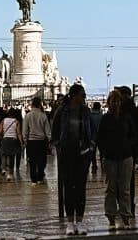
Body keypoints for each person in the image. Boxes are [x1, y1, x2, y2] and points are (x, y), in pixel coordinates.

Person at [53, 83, 95, 236]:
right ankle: (70, 222)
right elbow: (55, 131)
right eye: (82, 95)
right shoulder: (62, 111)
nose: (84, 98)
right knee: (68, 188)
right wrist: (59, 147)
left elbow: (92, 130)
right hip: (67, 154)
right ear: (74, 95)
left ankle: (80, 221)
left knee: (80, 189)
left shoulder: (85, 111)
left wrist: (90, 146)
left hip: (83, 154)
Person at [97, 89, 137, 230]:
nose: (115, 103)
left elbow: (133, 135)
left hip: (125, 156)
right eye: (113, 101)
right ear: (109, 103)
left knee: (125, 189)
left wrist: (127, 145)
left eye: (118, 101)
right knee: (111, 188)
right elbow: (100, 138)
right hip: (110, 158)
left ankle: (126, 217)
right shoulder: (105, 118)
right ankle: (111, 218)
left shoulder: (126, 117)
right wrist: (106, 151)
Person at [24, 95, 52, 184]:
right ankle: (40, 176)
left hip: (31, 141)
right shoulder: (43, 115)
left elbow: (25, 130)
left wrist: (25, 140)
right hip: (41, 141)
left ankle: (33, 180)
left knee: (32, 161)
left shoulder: (27, 115)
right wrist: (49, 139)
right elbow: (47, 130)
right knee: (42, 160)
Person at [0, 107, 21, 179]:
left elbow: (0, 131)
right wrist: (21, 142)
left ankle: (3, 168)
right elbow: (18, 133)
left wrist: (1, 136)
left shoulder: (4, 120)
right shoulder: (16, 121)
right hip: (13, 140)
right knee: (12, 157)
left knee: (4, 154)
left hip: (5, 139)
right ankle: (10, 174)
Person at [88, 101, 104, 176]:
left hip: (92, 137)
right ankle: (103, 166)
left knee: (93, 153)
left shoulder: (90, 115)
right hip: (101, 137)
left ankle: (94, 167)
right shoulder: (102, 115)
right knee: (102, 152)